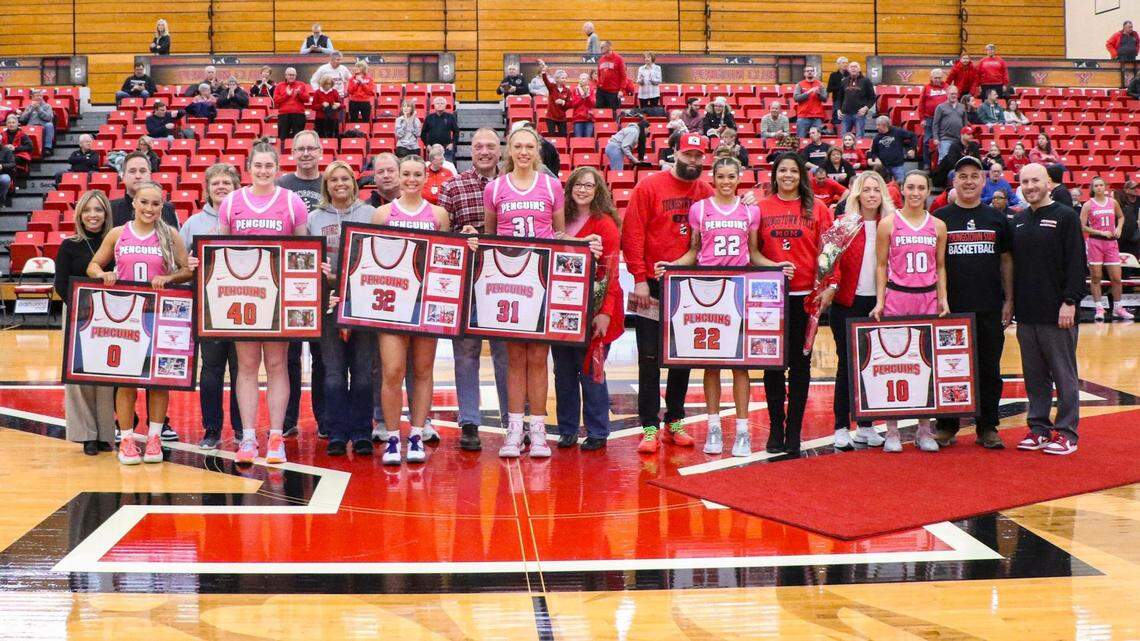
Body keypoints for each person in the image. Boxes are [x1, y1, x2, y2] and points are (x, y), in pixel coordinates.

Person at [655, 157, 793, 457]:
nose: (727, 181)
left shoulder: (750, 211)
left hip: (739, 291)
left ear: (739, 177)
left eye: (732, 176)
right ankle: (714, 426)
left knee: (740, 366)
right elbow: (693, 251)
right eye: (721, 176)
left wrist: (777, 266)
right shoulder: (700, 209)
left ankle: (742, 430)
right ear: (713, 178)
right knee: (712, 365)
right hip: (707, 290)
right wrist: (671, 266)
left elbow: (753, 253)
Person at [217, 140, 310, 465]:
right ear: (249, 168)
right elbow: (220, 252)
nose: (263, 171)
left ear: (277, 168)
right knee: (245, 367)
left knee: (276, 365)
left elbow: (303, 250)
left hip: (278, 295)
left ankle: (275, 437)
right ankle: (247, 437)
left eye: (269, 166)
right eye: (258, 166)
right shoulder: (231, 203)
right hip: (242, 296)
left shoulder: (292, 201)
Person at [87, 182, 192, 465]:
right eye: (144, 202)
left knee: (158, 380)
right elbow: (93, 265)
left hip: (159, 315)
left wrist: (169, 279)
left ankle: (155, 437)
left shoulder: (170, 235)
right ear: (134, 203)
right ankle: (128, 439)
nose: (149, 208)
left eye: (155, 204)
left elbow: (185, 270)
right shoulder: (118, 233)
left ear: (162, 206)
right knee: (127, 381)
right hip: (127, 316)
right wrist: (103, 274)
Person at [623, 133, 712, 453]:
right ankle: (649, 426)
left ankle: (675, 419)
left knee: (682, 355)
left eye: (698, 156)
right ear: (674, 153)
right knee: (648, 357)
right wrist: (639, 278)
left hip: (689, 286)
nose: (693, 161)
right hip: (651, 283)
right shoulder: (648, 187)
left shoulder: (705, 191)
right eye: (688, 154)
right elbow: (632, 233)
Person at [481, 127, 566, 458]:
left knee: (537, 357)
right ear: (509, 151)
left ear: (538, 151)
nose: (524, 151)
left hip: (541, 277)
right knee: (515, 358)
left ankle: (539, 430)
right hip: (509, 280)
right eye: (518, 146)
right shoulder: (495, 187)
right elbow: (491, 235)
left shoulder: (551, 185)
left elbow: (558, 233)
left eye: (530, 146)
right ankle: (514, 430)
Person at [368, 155, 451, 464]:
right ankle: (392, 437)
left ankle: (416, 433)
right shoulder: (382, 213)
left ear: (425, 177)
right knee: (392, 371)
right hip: (392, 302)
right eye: (407, 174)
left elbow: (447, 260)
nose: (412, 179)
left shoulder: (439, 214)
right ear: (399, 177)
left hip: (427, 300)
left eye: (418, 174)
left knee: (423, 370)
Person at [437, 128, 511, 450]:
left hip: (506, 282)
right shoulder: (453, 185)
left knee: (504, 354)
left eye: (490, 146)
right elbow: (438, 232)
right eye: (478, 146)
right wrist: (458, 234)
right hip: (466, 281)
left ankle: (513, 420)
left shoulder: (512, 184)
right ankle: (469, 421)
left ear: (499, 150)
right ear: (470, 149)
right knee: (465, 354)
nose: (484, 151)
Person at [933, 157, 1013, 449]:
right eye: (962, 176)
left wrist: (1009, 300)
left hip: (989, 306)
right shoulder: (941, 218)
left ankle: (988, 426)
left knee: (989, 369)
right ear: (954, 182)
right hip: (950, 309)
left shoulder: (998, 219)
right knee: (949, 367)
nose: (968, 181)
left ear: (983, 181)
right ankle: (947, 424)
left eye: (974, 176)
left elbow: (1006, 260)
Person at [870, 171, 950, 453]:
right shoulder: (888, 224)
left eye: (921, 188)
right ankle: (891, 429)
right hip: (898, 297)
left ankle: (923, 428)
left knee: (925, 364)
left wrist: (944, 299)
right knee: (894, 363)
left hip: (927, 298)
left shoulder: (938, 225)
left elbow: (940, 266)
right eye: (911, 187)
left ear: (928, 191)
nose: (915, 192)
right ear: (902, 190)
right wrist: (880, 301)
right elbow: (881, 265)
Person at [757, 153, 831, 456]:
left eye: (793, 171)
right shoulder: (761, 209)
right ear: (775, 175)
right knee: (772, 366)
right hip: (768, 299)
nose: (788, 175)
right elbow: (753, 252)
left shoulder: (818, 209)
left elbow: (829, 251)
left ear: (802, 176)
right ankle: (776, 427)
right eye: (782, 170)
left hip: (805, 298)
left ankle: (794, 431)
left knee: (800, 367)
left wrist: (829, 285)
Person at [1011, 163, 1085, 456]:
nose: (1030, 186)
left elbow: (1077, 263)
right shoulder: (1017, 221)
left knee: (1064, 374)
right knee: (1034, 375)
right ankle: (1039, 428)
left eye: (1035, 181)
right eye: (1025, 182)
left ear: (1048, 184)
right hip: (1027, 313)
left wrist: (1070, 302)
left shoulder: (1065, 217)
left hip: (1058, 312)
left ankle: (1067, 432)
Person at [552, 167, 623, 451]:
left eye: (589, 186)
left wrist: (604, 312)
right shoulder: (560, 219)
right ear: (569, 189)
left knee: (591, 371)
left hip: (595, 310)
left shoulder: (604, 223)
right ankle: (567, 429)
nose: (582, 190)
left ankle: (597, 430)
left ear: (598, 191)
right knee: (563, 372)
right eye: (577, 185)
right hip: (562, 310)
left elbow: (612, 272)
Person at [309, 161, 375, 455]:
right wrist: (325, 282)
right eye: (333, 179)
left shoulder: (370, 214)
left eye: (345, 178)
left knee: (362, 371)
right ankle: (336, 431)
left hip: (362, 303)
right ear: (326, 185)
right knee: (333, 371)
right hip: (327, 304)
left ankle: (362, 431)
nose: (339, 183)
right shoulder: (313, 218)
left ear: (353, 181)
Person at [180, 164, 245, 449]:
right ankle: (212, 429)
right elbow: (179, 266)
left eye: (226, 183)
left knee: (244, 369)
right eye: (216, 183)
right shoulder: (193, 224)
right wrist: (188, 265)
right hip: (208, 308)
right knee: (211, 370)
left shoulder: (245, 218)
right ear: (207, 189)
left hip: (243, 304)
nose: (221, 187)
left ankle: (244, 429)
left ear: (236, 187)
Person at [830, 171, 893, 450]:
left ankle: (866, 425)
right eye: (866, 189)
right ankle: (841, 425)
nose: (871, 194)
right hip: (847, 303)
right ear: (857, 193)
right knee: (846, 365)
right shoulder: (844, 224)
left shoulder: (892, 225)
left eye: (875, 190)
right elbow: (830, 264)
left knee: (873, 366)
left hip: (878, 304)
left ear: (882, 195)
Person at [276, 130, 328, 438]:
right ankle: (288, 419)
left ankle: (323, 419)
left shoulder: (329, 181)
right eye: (301, 149)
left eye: (311, 148)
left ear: (321, 151)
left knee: (322, 355)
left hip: (321, 279)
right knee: (289, 355)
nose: (306, 153)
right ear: (292, 153)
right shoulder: (282, 185)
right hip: (289, 278)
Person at [57, 191, 117, 456]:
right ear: (79, 215)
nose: (93, 215)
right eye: (87, 210)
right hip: (76, 316)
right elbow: (60, 284)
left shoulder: (116, 242)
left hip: (109, 317)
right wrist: (82, 310)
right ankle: (86, 435)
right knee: (78, 377)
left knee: (105, 376)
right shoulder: (69, 245)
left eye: (99, 210)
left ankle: (105, 433)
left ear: (106, 214)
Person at [1081, 176, 1133, 321]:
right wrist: (1100, 232)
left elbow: (1121, 217)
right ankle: (1099, 307)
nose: (1099, 188)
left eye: (1101, 185)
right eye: (1096, 185)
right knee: (1096, 277)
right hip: (1095, 243)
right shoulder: (1088, 205)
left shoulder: (1113, 202)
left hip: (1111, 243)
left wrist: (1119, 228)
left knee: (1116, 278)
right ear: (1092, 188)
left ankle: (1118, 308)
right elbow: (1082, 226)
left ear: (1105, 187)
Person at [111, 152, 179, 228]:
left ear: (150, 175)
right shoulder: (110, 210)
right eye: (132, 171)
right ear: (123, 177)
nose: (138, 176)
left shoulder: (167, 209)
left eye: (142, 171)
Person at [867, 116, 915, 184]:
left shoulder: (897, 131)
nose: (876, 127)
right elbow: (873, 152)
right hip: (884, 167)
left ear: (884, 125)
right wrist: (876, 158)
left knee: (902, 185)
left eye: (878, 125)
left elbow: (912, 136)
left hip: (897, 165)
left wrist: (912, 149)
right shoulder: (877, 138)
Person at [919, 69, 950, 169]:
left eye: (939, 78)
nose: (937, 80)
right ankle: (927, 164)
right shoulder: (926, 88)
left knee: (944, 141)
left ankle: (942, 164)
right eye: (935, 78)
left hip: (944, 119)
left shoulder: (947, 87)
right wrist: (922, 119)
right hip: (929, 118)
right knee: (927, 141)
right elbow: (921, 104)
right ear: (931, 78)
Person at [272, 67, 310, 144]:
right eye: (289, 75)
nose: (291, 77)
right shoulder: (279, 86)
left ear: (296, 76)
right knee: (282, 138)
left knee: (298, 139)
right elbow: (275, 101)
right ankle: (283, 153)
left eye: (293, 75)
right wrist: (287, 94)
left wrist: (299, 94)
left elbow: (307, 99)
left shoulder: (301, 85)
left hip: (298, 115)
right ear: (285, 75)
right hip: (284, 115)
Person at [838, 61, 876, 138]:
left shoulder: (866, 81)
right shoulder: (844, 81)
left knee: (859, 137)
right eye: (851, 67)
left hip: (859, 114)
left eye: (855, 67)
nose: (853, 68)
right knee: (844, 137)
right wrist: (838, 109)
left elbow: (872, 97)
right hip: (845, 114)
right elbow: (839, 97)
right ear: (848, 69)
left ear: (859, 69)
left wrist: (866, 108)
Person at [538, 60, 572, 137]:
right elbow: (546, 81)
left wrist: (563, 102)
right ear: (556, 79)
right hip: (551, 117)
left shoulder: (567, 91)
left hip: (562, 118)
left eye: (565, 78)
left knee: (563, 136)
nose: (564, 80)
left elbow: (570, 104)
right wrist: (543, 71)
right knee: (552, 136)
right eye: (562, 78)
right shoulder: (552, 87)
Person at [931, 85, 966, 161]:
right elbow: (935, 124)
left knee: (958, 161)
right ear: (947, 94)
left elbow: (965, 124)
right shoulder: (940, 107)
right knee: (944, 160)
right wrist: (936, 138)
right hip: (945, 139)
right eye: (951, 93)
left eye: (955, 94)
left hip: (958, 140)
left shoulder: (962, 107)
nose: (954, 95)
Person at [422, 96, 460, 163]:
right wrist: (427, 145)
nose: (439, 104)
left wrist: (452, 143)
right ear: (434, 105)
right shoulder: (429, 118)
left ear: (445, 105)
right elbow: (423, 133)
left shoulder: (450, 117)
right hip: (432, 148)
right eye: (437, 103)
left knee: (448, 166)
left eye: (442, 103)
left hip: (447, 148)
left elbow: (456, 132)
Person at [793, 66, 827, 139]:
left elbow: (825, 99)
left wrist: (818, 94)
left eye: (811, 71)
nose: (810, 72)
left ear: (814, 73)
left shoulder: (820, 84)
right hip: (803, 116)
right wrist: (808, 92)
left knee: (817, 139)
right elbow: (796, 98)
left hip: (817, 117)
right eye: (807, 71)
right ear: (804, 73)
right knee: (801, 139)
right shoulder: (800, 84)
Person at [595, 41, 630, 109]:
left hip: (613, 92)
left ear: (608, 47)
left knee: (613, 113)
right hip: (601, 91)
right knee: (599, 112)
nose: (600, 48)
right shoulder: (601, 60)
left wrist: (621, 90)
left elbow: (624, 76)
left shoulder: (618, 59)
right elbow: (599, 74)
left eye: (602, 47)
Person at [19, 90, 55, 155]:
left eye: (40, 96)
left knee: (49, 125)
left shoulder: (47, 106)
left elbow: (49, 118)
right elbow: (22, 119)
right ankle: (25, 148)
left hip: (44, 126)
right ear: (32, 97)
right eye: (37, 96)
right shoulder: (29, 106)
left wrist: (39, 109)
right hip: (31, 126)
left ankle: (47, 148)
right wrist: (31, 110)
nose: (39, 97)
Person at [1106, 20, 1140, 86]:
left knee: (1131, 74)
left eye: (1132, 27)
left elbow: (1138, 43)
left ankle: (1130, 86)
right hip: (1120, 58)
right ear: (1124, 27)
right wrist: (1114, 54)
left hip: (1132, 58)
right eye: (1129, 27)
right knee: (1121, 76)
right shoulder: (1117, 35)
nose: (1131, 29)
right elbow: (1108, 44)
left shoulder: (1135, 34)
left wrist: (1136, 51)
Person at [312, 75, 343, 139]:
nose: (328, 85)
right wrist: (321, 105)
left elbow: (342, 105)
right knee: (321, 136)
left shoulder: (334, 92)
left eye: (329, 84)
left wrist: (337, 105)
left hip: (333, 118)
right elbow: (313, 107)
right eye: (326, 84)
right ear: (322, 84)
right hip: (320, 119)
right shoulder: (317, 92)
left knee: (333, 137)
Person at [1115, 180, 1140, 257]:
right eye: (1133, 188)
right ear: (1126, 190)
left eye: (1137, 187)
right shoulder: (1122, 201)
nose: (1136, 189)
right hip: (1125, 233)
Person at [826, 57, 850, 133]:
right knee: (837, 119)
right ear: (838, 64)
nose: (845, 64)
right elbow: (829, 89)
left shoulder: (850, 75)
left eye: (846, 63)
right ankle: (838, 136)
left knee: (848, 119)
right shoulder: (833, 75)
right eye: (843, 63)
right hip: (837, 101)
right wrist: (842, 85)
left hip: (849, 101)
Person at [570, 73, 595, 138]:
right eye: (580, 78)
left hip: (589, 119)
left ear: (587, 81)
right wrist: (582, 97)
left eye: (583, 79)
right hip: (578, 119)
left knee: (588, 140)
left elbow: (592, 104)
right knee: (578, 140)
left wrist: (587, 96)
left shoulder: (591, 90)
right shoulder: (575, 90)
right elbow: (573, 104)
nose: (581, 80)